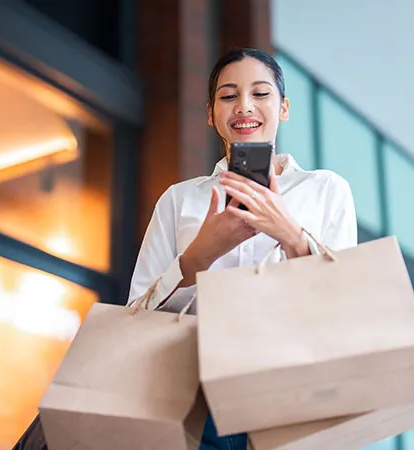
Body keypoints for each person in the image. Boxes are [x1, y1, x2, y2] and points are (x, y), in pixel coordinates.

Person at [127, 48, 358, 449]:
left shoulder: (324, 189)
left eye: (260, 93)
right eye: (228, 96)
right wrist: (199, 256)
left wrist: (291, 235)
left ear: (283, 108)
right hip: (197, 399)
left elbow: (349, 305)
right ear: (210, 113)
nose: (244, 106)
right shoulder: (181, 200)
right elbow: (135, 317)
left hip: (295, 393)